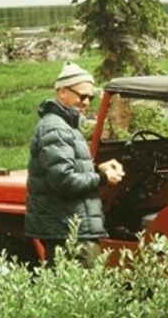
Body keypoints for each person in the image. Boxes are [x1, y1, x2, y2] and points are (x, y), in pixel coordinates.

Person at [25, 62, 124, 267]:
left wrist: (97, 169)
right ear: (62, 92)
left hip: (71, 227)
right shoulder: (56, 129)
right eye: (82, 96)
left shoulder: (65, 126)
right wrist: (103, 178)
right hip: (69, 231)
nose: (86, 102)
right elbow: (64, 181)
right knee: (85, 284)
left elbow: (66, 170)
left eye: (90, 98)